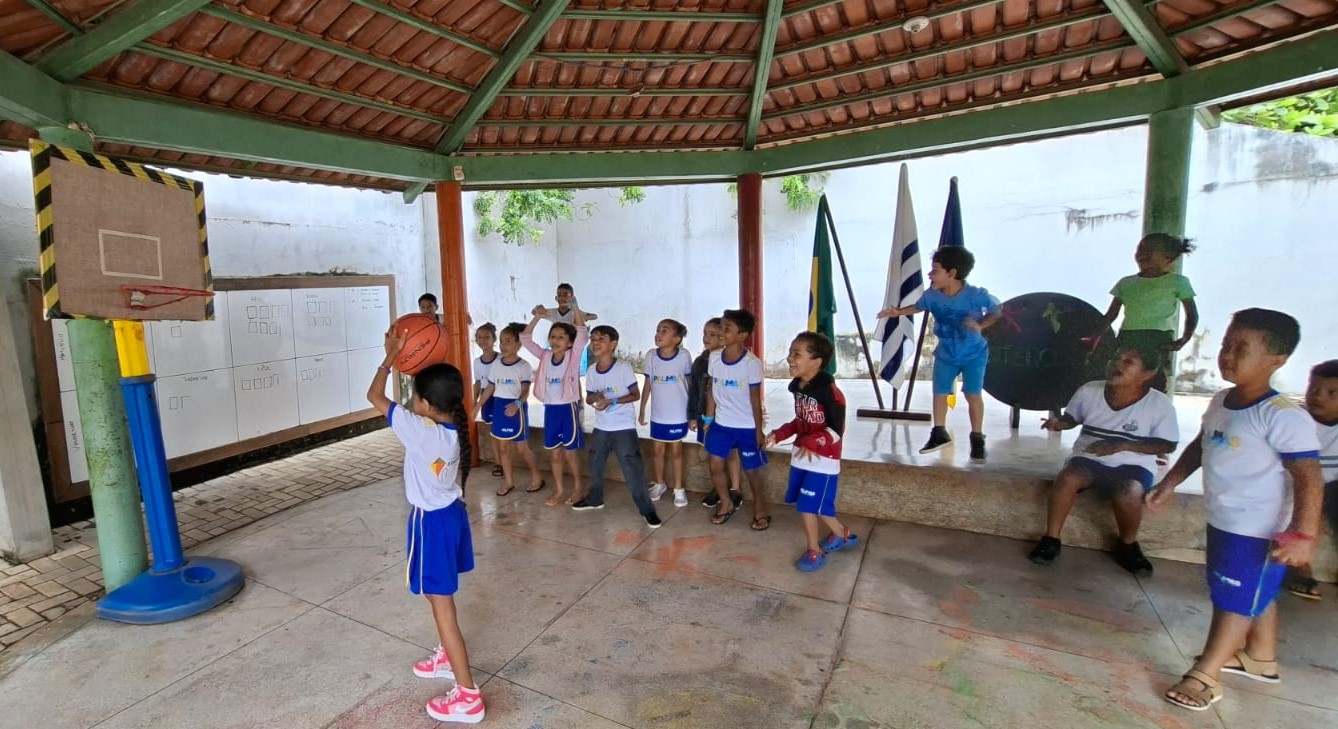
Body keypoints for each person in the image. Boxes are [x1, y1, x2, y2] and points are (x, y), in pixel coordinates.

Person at [1146, 308, 1323, 712]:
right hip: (1225, 518)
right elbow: (1202, 444)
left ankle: (1206, 675)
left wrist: (1303, 534)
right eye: (1226, 344)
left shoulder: (1282, 416)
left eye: (1241, 348)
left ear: (1276, 360)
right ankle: (1260, 657)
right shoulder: (1222, 401)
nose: (1227, 355)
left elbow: (1308, 477)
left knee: (1234, 598)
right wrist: (1170, 482)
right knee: (1248, 590)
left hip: (1259, 530)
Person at [366, 336, 483, 724]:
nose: (412, 402)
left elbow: (374, 395)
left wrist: (391, 356)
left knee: (443, 609)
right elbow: (414, 397)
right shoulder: (448, 428)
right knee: (437, 597)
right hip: (450, 516)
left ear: (428, 405)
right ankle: (447, 657)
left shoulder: (419, 430)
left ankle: (468, 696)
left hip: (431, 523)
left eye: (416, 397)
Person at [1029, 344, 1179, 575]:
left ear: (1147, 374)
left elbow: (1168, 444)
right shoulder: (1089, 390)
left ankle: (1128, 545)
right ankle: (1051, 539)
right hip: (1088, 459)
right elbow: (1072, 418)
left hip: (1134, 465)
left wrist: (1122, 446)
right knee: (1067, 479)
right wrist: (1060, 423)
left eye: (1128, 362)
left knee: (1129, 492)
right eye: (1115, 357)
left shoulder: (1159, 404)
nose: (1117, 364)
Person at [877, 246, 1000, 461]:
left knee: (972, 394)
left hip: (974, 353)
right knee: (940, 392)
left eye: (935, 270)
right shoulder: (932, 295)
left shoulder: (976, 295)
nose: (930, 274)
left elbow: (996, 311)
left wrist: (981, 325)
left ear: (952, 273)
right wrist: (898, 312)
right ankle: (939, 432)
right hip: (946, 353)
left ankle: (977, 437)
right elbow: (919, 307)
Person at [765, 332, 857, 571]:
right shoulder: (799, 387)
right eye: (790, 352)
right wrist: (780, 433)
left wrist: (814, 442)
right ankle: (842, 534)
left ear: (816, 362)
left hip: (823, 460)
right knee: (816, 504)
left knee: (808, 506)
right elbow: (800, 421)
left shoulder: (831, 392)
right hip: (801, 458)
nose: (789, 358)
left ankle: (815, 550)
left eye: (797, 354)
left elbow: (836, 430)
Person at [576, 325, 662, 528]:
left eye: (601, 339)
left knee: (632, 468)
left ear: (613, 344)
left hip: (623, 427)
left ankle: (647, 510)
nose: (595, 342)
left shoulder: (623, 368)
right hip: (601, 426)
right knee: (595, 464)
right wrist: (597, 398)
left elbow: (635, 394)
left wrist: (612, 401)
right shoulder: (591, 370)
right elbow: (589, 398)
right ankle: (595, 499)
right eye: (593, 339)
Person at [1097, 233, 1198, 390]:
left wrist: (1185, 338)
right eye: (1140, 249)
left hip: (1159, 339)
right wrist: (1095, 335)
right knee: (1120, 377)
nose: (1142, 254)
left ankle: (1155, 405)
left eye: (1149, 250)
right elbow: (1111, 314)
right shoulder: (1125, 283)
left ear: (1168, 258)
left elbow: (1191, 314)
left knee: (1155, 380)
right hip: (1127, 337)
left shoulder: (1178, 282)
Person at [703, 308, 771, 530]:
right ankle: (726, 502)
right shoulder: (714, 358)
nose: (721, 332)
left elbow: (755, 399)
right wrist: (708, 419)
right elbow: (711, 389)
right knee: (714, 463)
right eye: (721, 326)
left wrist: (758, 430)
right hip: (721, 424)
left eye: (727, 328)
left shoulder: (751, 363)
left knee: (751, 471)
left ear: (742, 335)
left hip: (746, 426)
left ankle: (760, 508)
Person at [522, 304, 589, 506]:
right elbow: (525, 339)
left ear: (570, 342)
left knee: (570, 453)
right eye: (553, 336)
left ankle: (578, 490)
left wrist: (576, 308)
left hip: (567, 409)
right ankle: (559, 490)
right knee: (555, 454)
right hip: (550, 409)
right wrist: (537, 317)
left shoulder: (573, 356)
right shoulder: (544, 356)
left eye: (561, 337)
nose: (555, 340)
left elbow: (582, 333)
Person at [1283, 359, 1338, 599]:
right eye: (1313, 388)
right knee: (1293, 498)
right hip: (1293, 483)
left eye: (1331, 393)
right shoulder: (1293, 418)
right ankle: (1297, 565)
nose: (1318, 396)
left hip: (1332, 486)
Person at [473, 322, 543, 497]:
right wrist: (477, 406)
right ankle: (509, 482)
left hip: (516, 410)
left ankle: (537, 477)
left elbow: (526, 390)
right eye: (502, 341)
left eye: (508, 341)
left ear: (518, 344)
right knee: (503, 448)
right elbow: (490, 387)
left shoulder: (523, 366)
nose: (503, 345)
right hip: (499, 408)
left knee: (522, 449)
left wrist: (517, 405)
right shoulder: (497, 365)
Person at [639, 319, 693, 508]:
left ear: (677, 339)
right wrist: (642, 408)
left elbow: (690, 383)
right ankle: (659, 483)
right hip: (658, 414)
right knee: (657, 451)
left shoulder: (684, 356)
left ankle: (679, 488)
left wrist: (693, 412)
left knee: (677, 451)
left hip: (678, 414)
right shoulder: (651, 356)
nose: (658, 334)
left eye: (665, 330)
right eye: (658, 329)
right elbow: (648, 383)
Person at [688, 317, 742, 507]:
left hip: (729, 417)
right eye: (705, 334)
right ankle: (718, 489)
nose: (706, 338)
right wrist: (693, 416)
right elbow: (694, 391)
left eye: (713, 334)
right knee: (714, 455)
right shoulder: (700, 363)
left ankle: (735, 490)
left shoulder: (734, 361)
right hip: (706, 418)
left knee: (732, 453)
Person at [532, 283, 598, 375]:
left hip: (572, 347)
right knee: (557, 371)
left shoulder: (575, 312)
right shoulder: (553, 312)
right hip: (558, 346)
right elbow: (534, 312)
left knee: (572, 372)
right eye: (559, 295)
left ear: (572, 298)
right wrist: (538, 308)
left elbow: (594, 316)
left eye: (566, 295)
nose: (562, 298)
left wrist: (580, 314)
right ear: (556, 298)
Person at [471, 323, 502, 478]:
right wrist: (474, 402)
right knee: (494, 433)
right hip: (486, 399)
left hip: (501, 397)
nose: (483, 340)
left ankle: (505, 461)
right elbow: (478, 383)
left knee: (502, 433)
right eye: (479, 337)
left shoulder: (501, 359)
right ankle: (498, 462)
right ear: (476, 340)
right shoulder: (477, 362)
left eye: (487, 337)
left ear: (494, 339)